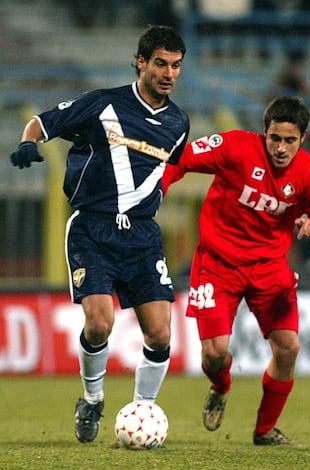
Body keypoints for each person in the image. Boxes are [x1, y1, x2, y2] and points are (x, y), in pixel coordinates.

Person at [10, 25, 189, 443]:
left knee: (161, 333)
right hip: (92, 227)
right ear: (141, 62)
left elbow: (168, 168)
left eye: (176, 65)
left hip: (142, 235)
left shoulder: (179, 122)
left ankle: (144, 410)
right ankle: (92, 399)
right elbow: (43, 120)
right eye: (160, 63)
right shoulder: (103, 103)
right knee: (99, 324)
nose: (168, 73)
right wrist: (26, 142)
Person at [162, 96, 310, 445]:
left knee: (288, 347)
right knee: (214, 353)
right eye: (274, 138)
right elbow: (180, 158)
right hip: (218, 264)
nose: (280, 147)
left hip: (269, 268)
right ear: (264, 132)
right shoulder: (235, 147)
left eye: (289, 140)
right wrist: (160, 188)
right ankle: (221, 386)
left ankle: (264, 430)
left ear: (302, 139)